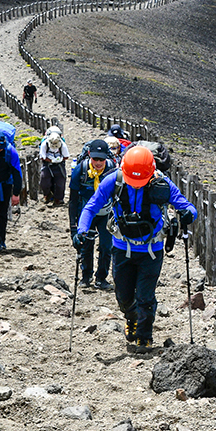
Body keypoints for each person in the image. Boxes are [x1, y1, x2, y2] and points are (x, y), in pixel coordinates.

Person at [74, 145, 196, 351]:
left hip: (151, 250)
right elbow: (91, 206)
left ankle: (144, 336)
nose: (137, 185)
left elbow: (187, 206)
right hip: (122, 248)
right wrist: (81, 230)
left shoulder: (162, 183)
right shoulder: (114, 180)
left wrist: (188, 215)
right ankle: (131, 317)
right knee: (123, 296)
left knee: (146, 296)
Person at [68, 139, 117, 289]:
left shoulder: (112, 170)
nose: (98, 162)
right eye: (95, 159)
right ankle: (86, 276)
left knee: (106, 246)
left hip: (106, 214)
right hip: (86, 214)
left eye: (102, 159)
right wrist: (73, 226)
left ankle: (101, 278)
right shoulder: (80, 170)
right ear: (89, 155)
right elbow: (73, 199)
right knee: (86, 244)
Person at [39, 126, 70, 206]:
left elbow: (66, 156)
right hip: (47, 164)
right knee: (44, 180)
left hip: (59, 164)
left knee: (60, 182)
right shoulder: (44, 144)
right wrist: (51, 160)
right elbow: (42, 157)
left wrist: (59, 159)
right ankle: (47, 195)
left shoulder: (62, 145)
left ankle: (58, 199)